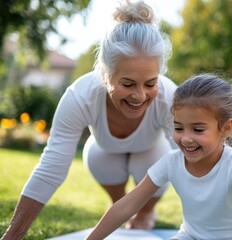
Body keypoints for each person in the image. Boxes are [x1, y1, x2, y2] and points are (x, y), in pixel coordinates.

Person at [1, 0, 177, 239]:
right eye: (127, 84)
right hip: (105, 151)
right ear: (105, 75)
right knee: (96, 155)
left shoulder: (170, 98)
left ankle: (145, 212)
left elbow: (190, 160)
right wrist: (12, 236)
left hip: (152, 151)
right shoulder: (80, 96)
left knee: (159, 157)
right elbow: (51, 166)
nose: (140, 95)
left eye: (150, 83)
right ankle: (119, 206)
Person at [85, 73, 232, 240]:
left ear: (226, 128)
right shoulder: (171, 162)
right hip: (191, 236)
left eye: (198, 130)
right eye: (178, 128)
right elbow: (128, 205)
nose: (186, 139)